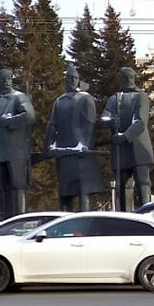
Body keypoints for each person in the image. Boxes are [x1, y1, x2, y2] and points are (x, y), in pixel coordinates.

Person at [45, 64, 106, 212]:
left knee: (83, 190)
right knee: (65, 193)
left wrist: (85, 144)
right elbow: (52, 124)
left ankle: (84, 223)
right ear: (65, 79)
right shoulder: (59, 101)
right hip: (64, 153)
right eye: (70, 78)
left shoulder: (85, 99)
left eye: (75, 78)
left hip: (81, 154)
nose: (73, 80)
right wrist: (50, 145)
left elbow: (90, 124)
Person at [0, 69, 36, 220]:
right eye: (3, 78)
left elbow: (30, 116)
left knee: (18, 186)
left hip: (16, 152)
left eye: (9, 78)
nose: (6, 81)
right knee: (3, 188)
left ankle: (20, 220)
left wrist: (11, 121)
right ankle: (4, 220)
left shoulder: (19, 98)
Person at [101, 67, 154, 211]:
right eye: (126, 78)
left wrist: (124, 136)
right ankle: (125, 216)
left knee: (143, 183)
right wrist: (110, 122)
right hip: (122, 151)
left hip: (138, 149)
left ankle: (146, 214)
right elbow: (104, 116)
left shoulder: (140, 96)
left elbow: (140, 121)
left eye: (131, 78)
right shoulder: (115, 99)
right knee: (123, 186)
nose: (129, 81)